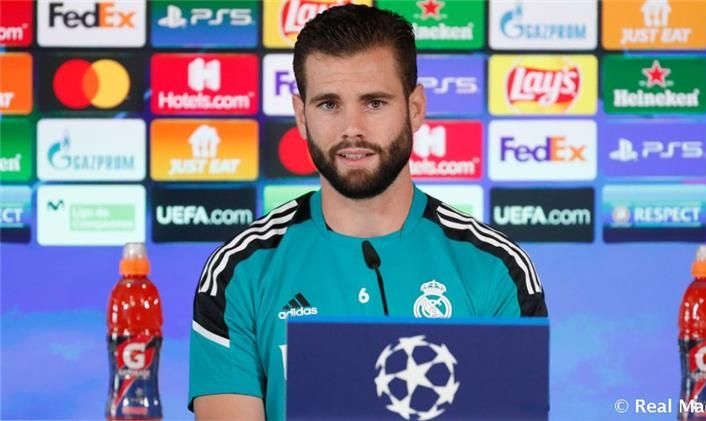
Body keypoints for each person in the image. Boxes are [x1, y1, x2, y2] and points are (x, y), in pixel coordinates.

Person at [189, 4, 547, 420]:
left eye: (374, 103)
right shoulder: (240, 271)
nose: (352, 128)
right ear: (301, 116)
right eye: (328, 104)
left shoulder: (497, 268)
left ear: (415, 108)